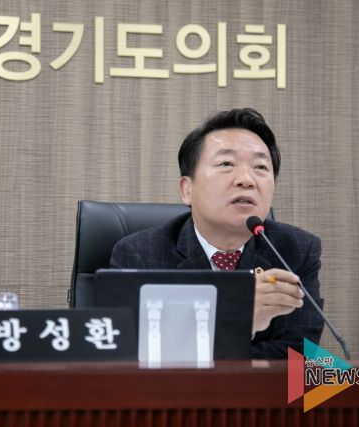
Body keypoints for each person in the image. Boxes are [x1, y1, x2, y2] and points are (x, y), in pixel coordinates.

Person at [110, 108, 323, 359]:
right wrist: (238, 320)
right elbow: (134, 357)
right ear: (187, 190)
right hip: (177, 389)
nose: (246, 179)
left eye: (260, 167)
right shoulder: (141, 255)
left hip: (266, 388)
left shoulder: (295, 249)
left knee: (348, 378)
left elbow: (299, 358)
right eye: (226, 164)